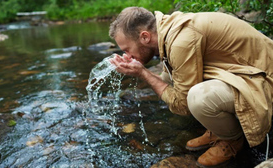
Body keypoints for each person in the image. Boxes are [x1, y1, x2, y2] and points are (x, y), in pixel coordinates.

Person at [109, 6, 273, 168]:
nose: (127, 56)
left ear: (144, 37)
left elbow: (183, 105)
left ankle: (232, 139)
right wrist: (145, 73)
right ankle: (218, 129)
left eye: (127, 49)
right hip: (243, 71)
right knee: (168, 78)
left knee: (198, 98)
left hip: (263, 79)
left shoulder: (181, 40)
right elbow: (170, 83)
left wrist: (143, 73)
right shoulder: (170, 30)